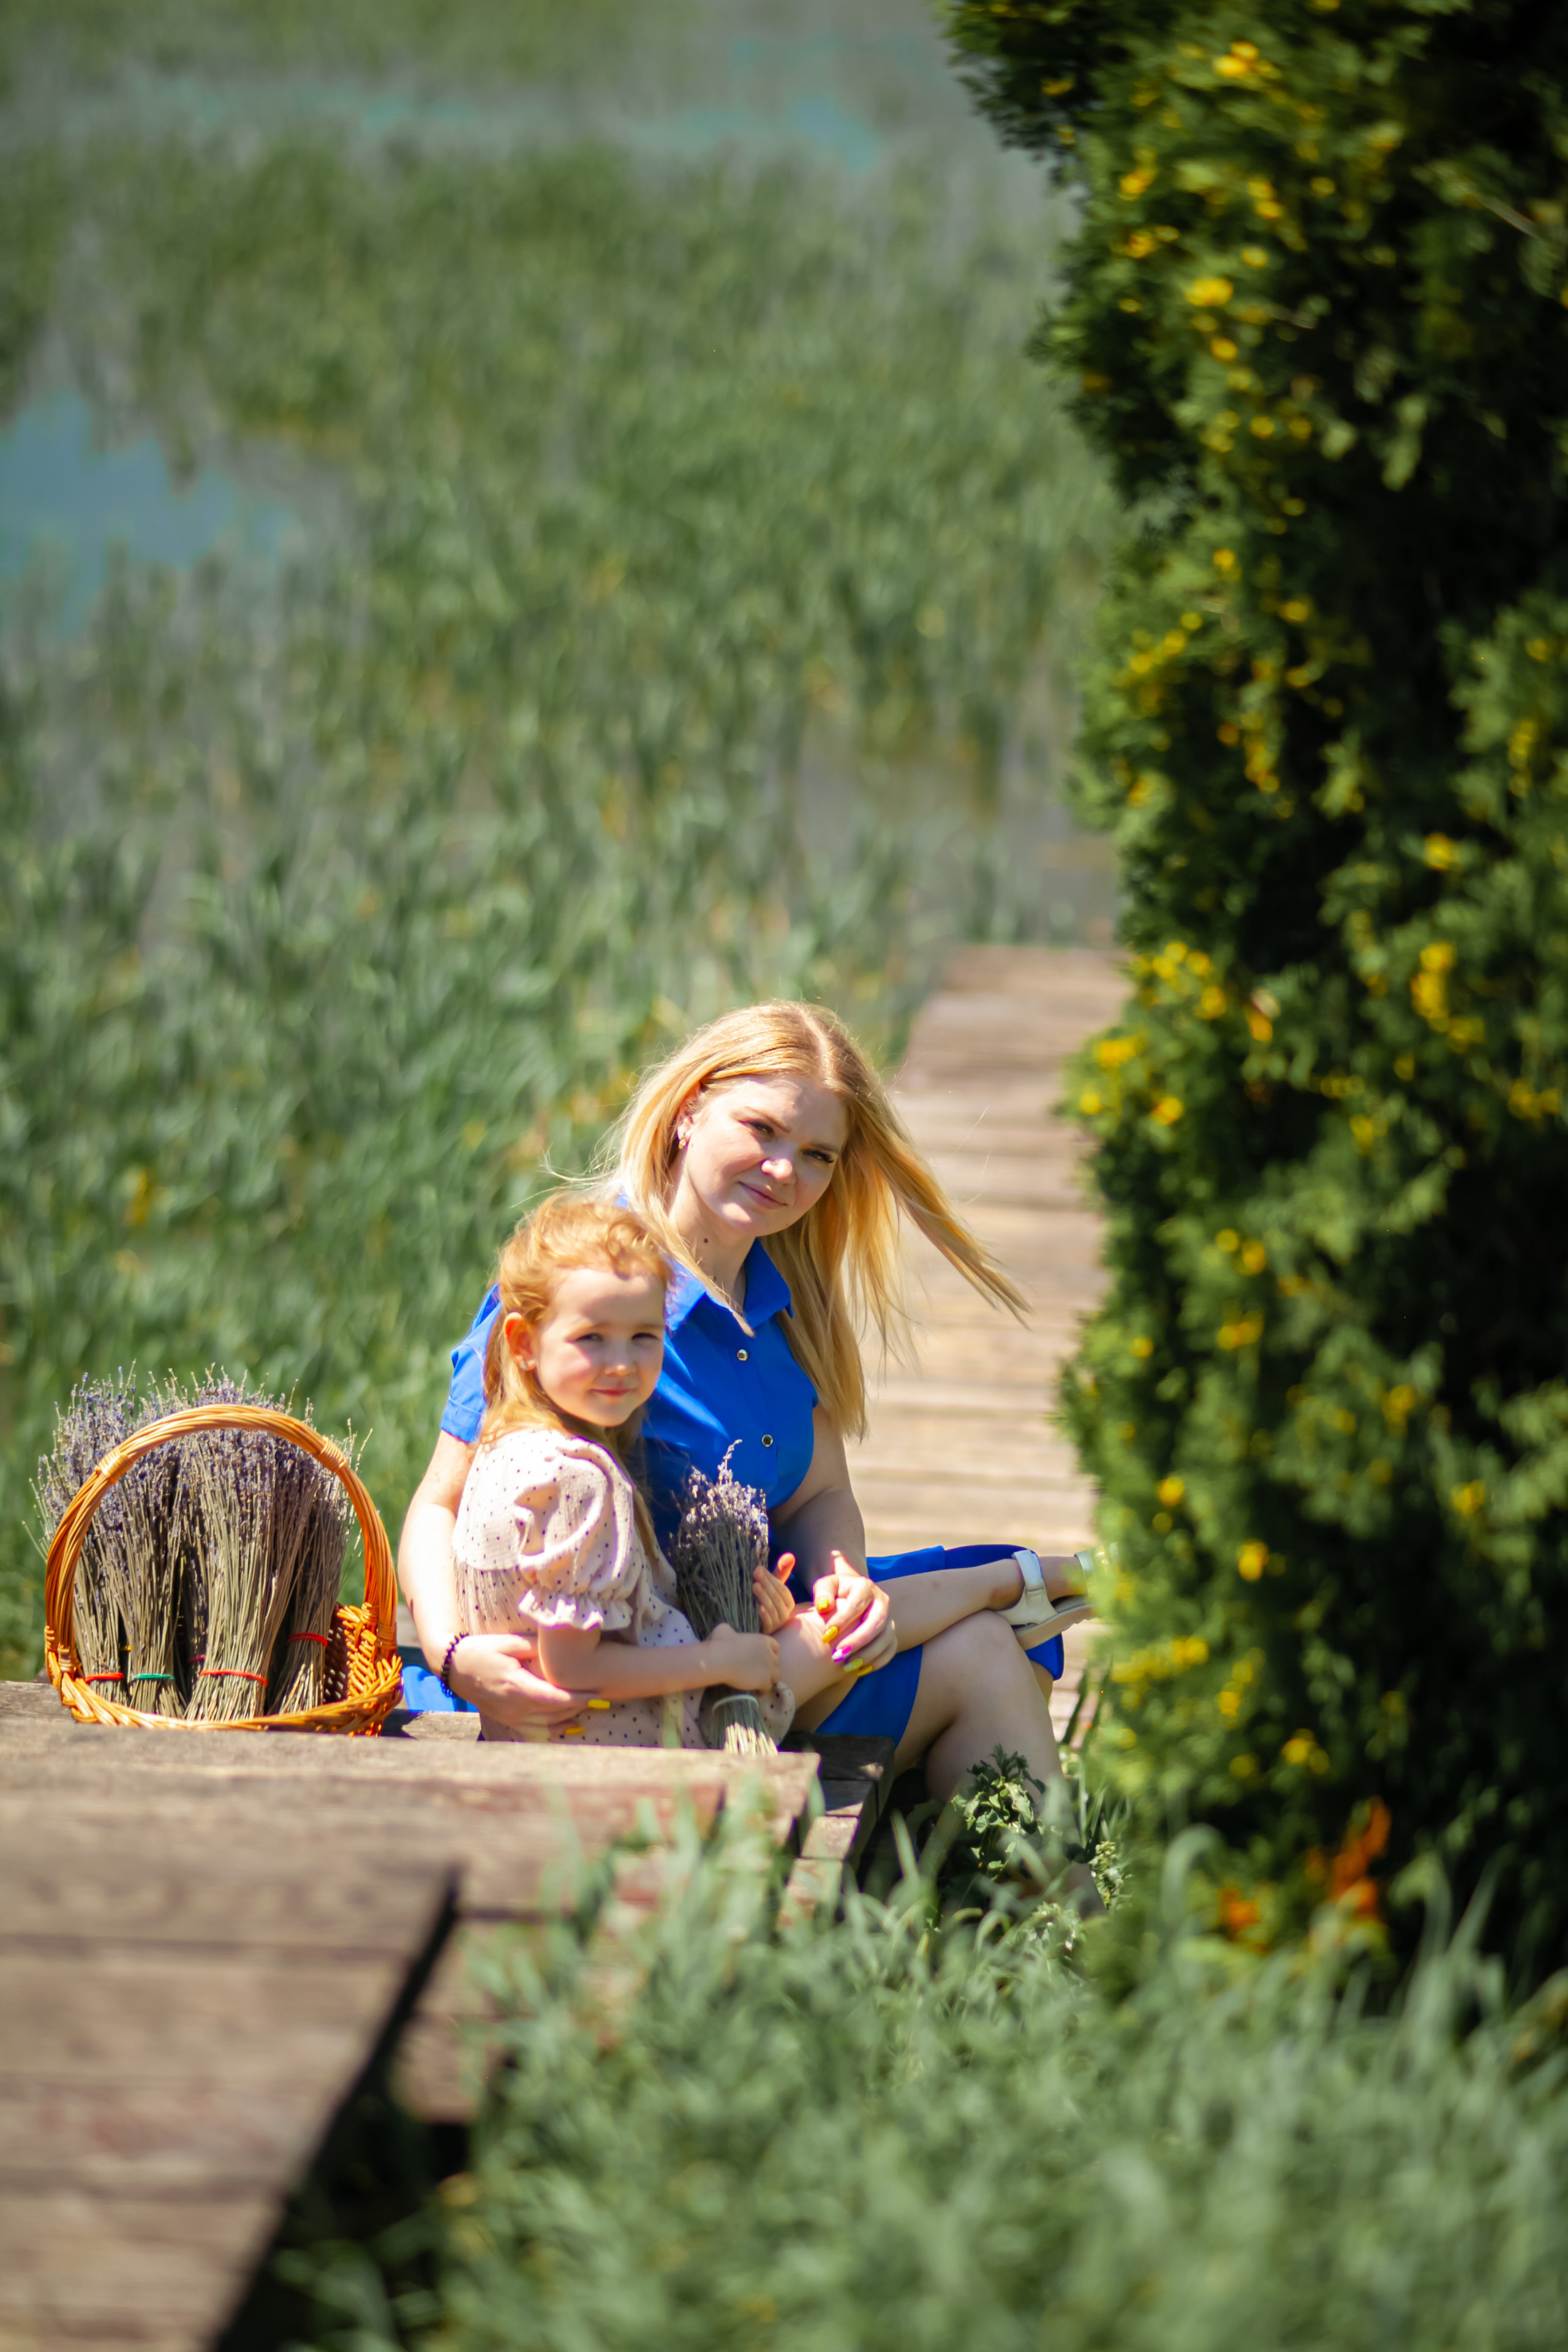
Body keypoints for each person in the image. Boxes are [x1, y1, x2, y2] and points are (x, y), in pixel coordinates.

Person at [401, 1000, 1093, 1834]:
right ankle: (1024, 1587)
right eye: (760, 1129)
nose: (782, 1170)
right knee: (981, 1637)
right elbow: (440, 1500)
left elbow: (819, 1493)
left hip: (759, 1658)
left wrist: (845, 1579)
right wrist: (454, 1652)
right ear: (690, 1108)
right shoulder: (594, 1297)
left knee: (986, 1652)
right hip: (618, 1691)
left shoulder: (785, 1303)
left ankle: (1044, 1923)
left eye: (815, 1155)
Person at [451, 1190, 786, 1747]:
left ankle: (984, 1581)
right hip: (628, 1750)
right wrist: (719, 1661)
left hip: (532, 1746)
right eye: (592, 1338)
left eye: (644, 1337)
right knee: (827, 1646)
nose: (622, 1364)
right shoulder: (579, 1479)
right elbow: (575, 1669)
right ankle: (984, 1582)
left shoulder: (501, 1447)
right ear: (523, 1342)